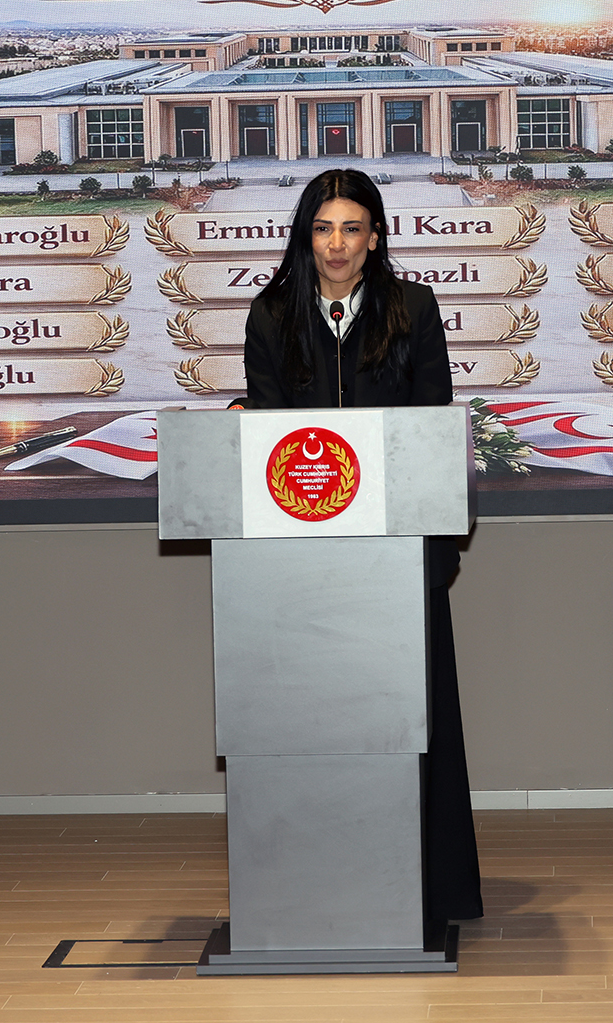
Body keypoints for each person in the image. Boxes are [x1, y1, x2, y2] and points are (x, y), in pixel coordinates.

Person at [237, 167, 485, 928]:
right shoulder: (271, 313)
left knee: (414, 721)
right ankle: (316, 888)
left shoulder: (414, 308)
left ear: (375, 237)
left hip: (399, 554)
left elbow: (432, 425)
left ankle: (427, 892)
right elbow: (271, 432)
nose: (337, 244)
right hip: (302, 565)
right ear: (304, 237)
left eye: (351, 228)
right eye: (323, 229)